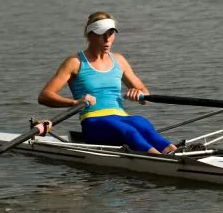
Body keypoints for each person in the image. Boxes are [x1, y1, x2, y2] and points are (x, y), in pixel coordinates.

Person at [38, 11, 177, 154]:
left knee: (142, 123)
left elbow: (144, 94)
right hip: (93, 123)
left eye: (111, 33)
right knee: (128, 130)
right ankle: (163, 160)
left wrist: (139, 94)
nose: (107, 39)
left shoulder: (119, 60)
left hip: (122, 117)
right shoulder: (75, 62)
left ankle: (174, 152)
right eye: (101, 34)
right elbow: (45, 96)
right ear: (89, 34)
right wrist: (74, 103)